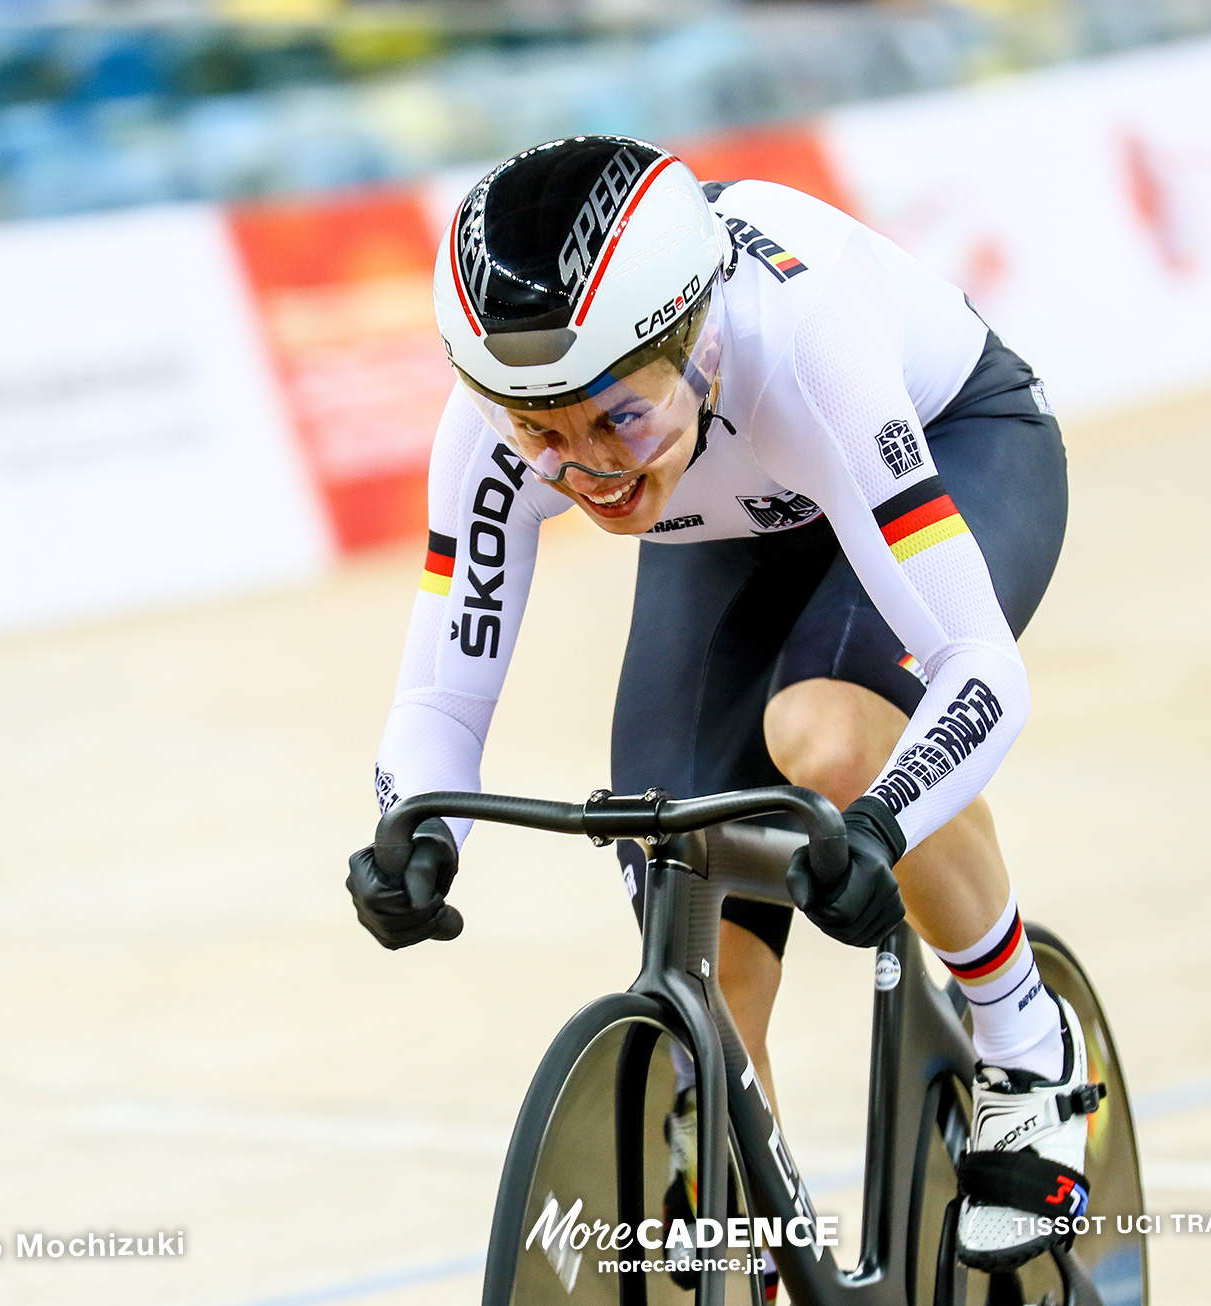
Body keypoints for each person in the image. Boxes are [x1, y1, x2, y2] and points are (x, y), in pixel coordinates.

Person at [346, 135, 1094, 1277]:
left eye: (616, 422)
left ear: (693, 343)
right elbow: (441, 694)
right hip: (732, 511)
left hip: (947, 441)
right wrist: (414, 831)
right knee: (687, 907)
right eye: (542, 436)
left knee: (829, 740)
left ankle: (1021, 1028)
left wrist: (881, 823)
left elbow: (981, 673)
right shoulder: (505, 431)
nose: (586, 471)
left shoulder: (808, 352)